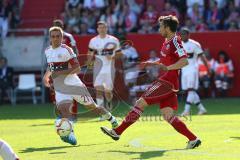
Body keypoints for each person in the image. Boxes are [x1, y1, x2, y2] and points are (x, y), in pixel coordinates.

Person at [100, 15, 201, 149]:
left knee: (140, 103)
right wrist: (152, 63)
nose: (159, 29)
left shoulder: (175, 41)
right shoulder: (167, 41)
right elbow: (167, 60)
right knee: (168, 115)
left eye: (160, 26)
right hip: (169, 83)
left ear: (167, 28)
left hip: (167, 82)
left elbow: (184, 60)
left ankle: (117, 132)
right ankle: (193, 139)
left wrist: (168, 68)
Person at [43, 26, 118, 145]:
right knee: (64, 111)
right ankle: (69, 135)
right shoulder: (47, 51)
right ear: (50, 38)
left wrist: (60, 73)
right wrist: (46, 75)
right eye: (53, 36)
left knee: (93, 107)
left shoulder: (66, 50)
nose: (56, 38)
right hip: (60, 87)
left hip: (74, 85)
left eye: (58, 36)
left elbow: (77, 68)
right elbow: (51, 67)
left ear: (62, 38)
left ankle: (112, 119)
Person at [87, 21, 123, 117]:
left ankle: (109, 103)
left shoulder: (113, 40)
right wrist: (89, 63)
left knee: (108, 92)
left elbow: (120, 54)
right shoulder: (93, 41)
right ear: (97, 29)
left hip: (109, 68)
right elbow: (90, 53)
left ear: (107, 28)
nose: (102, 29)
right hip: (98, 68)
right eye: (100, 27)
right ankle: (102, 114)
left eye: (104, 27)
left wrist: (112, 56)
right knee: (98, 90)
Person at [52, 19, 79, 119]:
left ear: (62, 27)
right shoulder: (53, 38)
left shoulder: (68, 36)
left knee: (73, 91)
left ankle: (74, 115)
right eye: (55, 26)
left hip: (69, 67)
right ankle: (62, 115)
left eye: (58, 26)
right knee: (58, 91)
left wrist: (74, 62)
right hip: (57, 67)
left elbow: (75, 49)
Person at [180, 27, 208, 116]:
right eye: (181, 34)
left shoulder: (194, 44)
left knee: (191, 90)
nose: (182, 35)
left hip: (192, 69)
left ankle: (186, 111)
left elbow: (202, 57)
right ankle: (201, 108)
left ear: (188, 35)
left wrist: (208, 68)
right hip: (184, 70)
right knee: (189, 91)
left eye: (184, 34)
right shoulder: (179, 45)